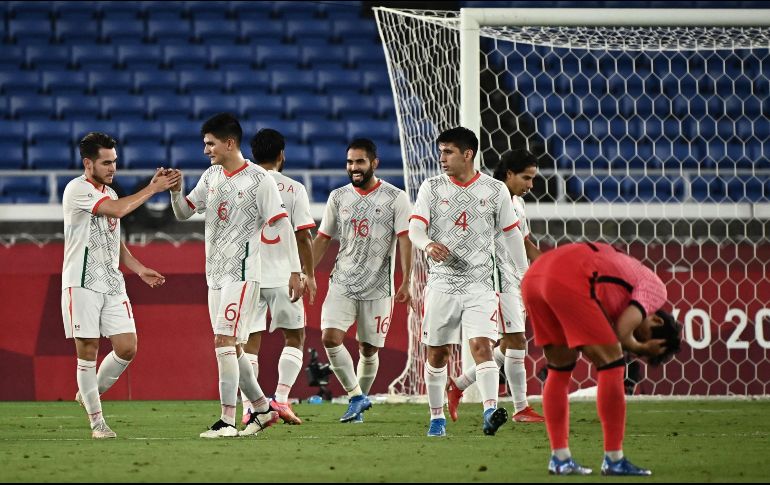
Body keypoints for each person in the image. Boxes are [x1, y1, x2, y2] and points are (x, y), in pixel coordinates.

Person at [168, 113, 303, 438]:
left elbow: (282, 225)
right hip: (214, 276)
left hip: (242, 275)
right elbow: (184, 213)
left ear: (229, 143)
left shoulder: (260, 180)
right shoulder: (211, 175)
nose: (206, 150)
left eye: (210, 144)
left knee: (223, 341)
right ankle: (262, 409)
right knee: (235, 348)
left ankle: (227, 421)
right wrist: (176, 191)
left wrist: (295, 270)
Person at [521, 241, 681, 476]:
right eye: (642, 334)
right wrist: (641, 346)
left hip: (534, 277)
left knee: (560, 367)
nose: (635, 344)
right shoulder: (656, 290)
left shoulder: (618, 284)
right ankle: (615, 460)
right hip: (568, 276)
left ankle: (560, 459)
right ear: (656, 320)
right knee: (613, 362)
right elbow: (623, 333)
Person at [409, 127, 529, 437]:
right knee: (438, 353)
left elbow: (512, 236)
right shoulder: (431, 187)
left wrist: (526, 276)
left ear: (467, 154)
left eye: (448, 152)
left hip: (480, 284)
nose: (442, 158)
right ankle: (437, 417)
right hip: (442, 284)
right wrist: (427, 245)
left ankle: (489, 411)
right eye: (440, 151)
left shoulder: (495, 190)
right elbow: (415, 230)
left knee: (482, 346)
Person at [63, 132, 180, 439]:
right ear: (88, 163)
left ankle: (87, 393)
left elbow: (114, 239)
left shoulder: (112, 194)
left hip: (112, 282)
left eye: (114, 161)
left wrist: (138, 268)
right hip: (82, 281)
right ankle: (97, 422)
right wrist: (153, 189)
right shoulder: (77, 189)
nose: (113, 168)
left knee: (127, 347)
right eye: (106, 162)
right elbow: (116, 211)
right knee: (88, 350)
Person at [312, 138, 412, 423]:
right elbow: (323, 238)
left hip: (378, 287)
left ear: (374, 163)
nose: (354, 167)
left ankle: (359, 402)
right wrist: (305, 272)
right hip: (342, 282)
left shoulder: (396, 198)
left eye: (360, 162)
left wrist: (407, 280)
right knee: (330, 338)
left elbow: (405, 240)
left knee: (368, 349)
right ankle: (356, 396)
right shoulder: (338, 197)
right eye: (349, 162)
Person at [446, 149, 545, 423]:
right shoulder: (488, 198)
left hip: (513, 279)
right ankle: (520, 408)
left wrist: (548, 264)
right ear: (509, 174)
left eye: (533, 178)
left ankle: (459, 385)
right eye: (526, 178)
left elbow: (523, 241)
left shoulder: (518, 203)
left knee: (509, 343)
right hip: (493, 280)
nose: (531, 185)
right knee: (516, 340)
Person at [239, 128, 316, 426]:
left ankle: (250, 408)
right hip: (285, 276)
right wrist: (308, 274)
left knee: (248, 343)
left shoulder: (243, 184)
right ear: (282, 155)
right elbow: (303, 236)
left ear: (253, 154)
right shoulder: (294, 189)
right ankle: (281, 399)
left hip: (250, 275)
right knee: (295, 337)